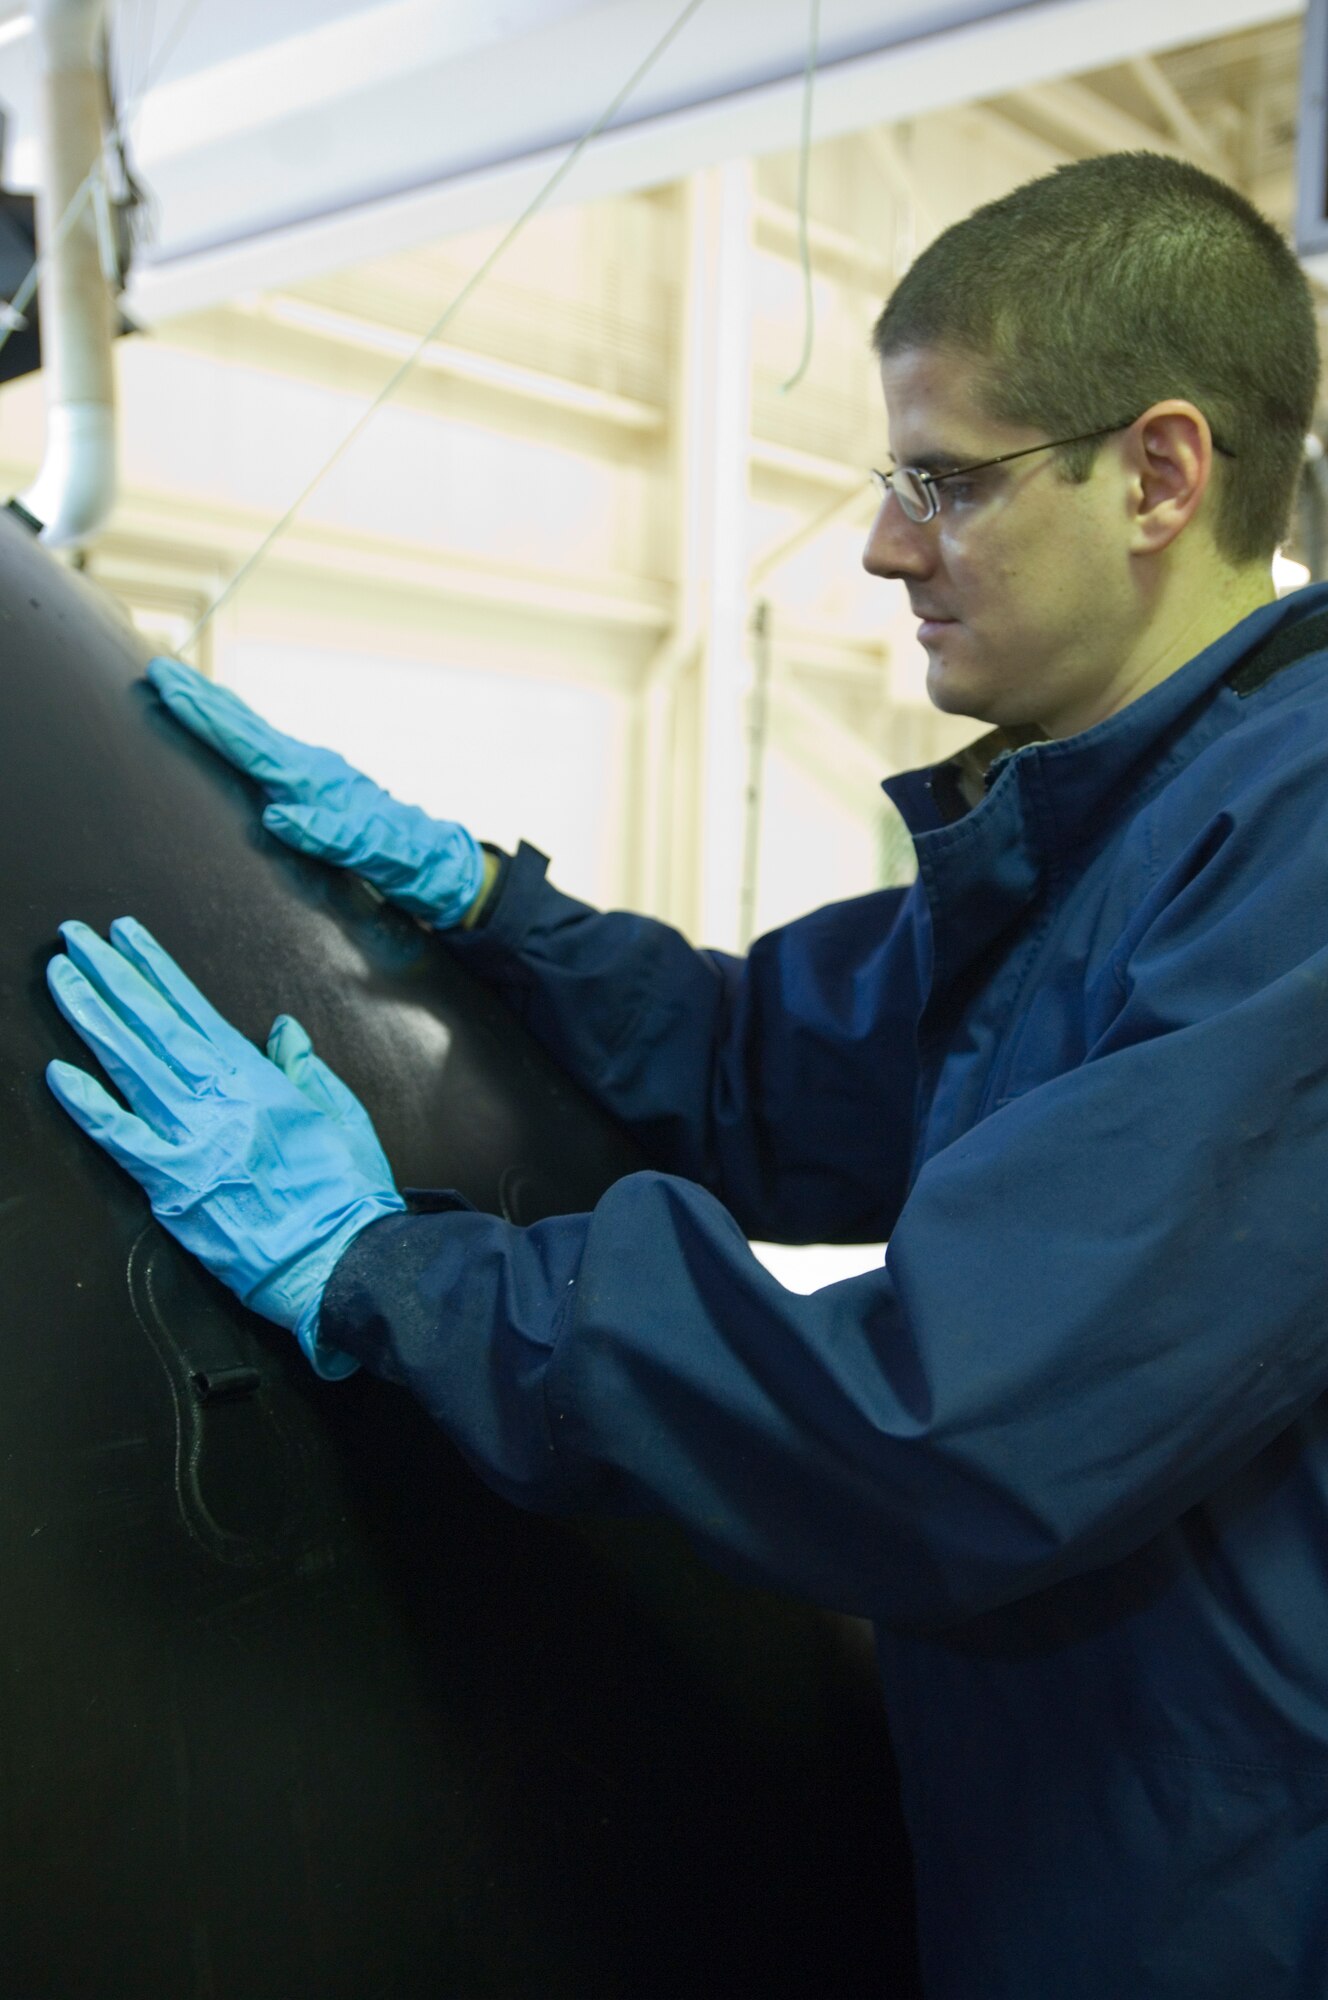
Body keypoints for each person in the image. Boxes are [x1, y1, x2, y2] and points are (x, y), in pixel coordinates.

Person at [43, 151, 1328, 1997]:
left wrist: (384, 1269)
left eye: (941, 484)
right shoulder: (1118, 827)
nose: (888, 547)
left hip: (1217, 1900)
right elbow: (768, 1069)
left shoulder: (1290, 856)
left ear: (1159, 473)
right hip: (1062, 1841)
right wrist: (478, 894)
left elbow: (943, 1423)